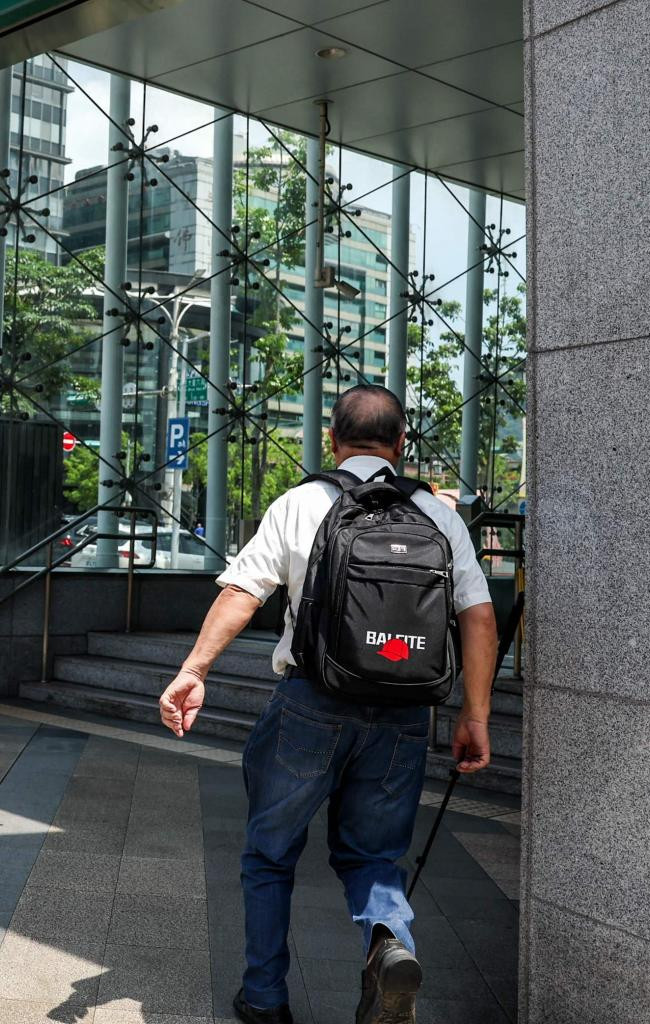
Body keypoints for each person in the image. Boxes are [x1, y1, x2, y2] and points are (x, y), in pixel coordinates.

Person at [158, 385, 496, 1024]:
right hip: (403, 714)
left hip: (310, 703)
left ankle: (265, 998)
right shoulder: (436, 514)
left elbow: (242, 592)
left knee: (270, 852)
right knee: (373, 856)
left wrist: (193, 670)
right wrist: (474, 715)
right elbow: (479, 617)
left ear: (333, 440)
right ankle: (389, 944)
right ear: (401, 444)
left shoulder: (301, 503)